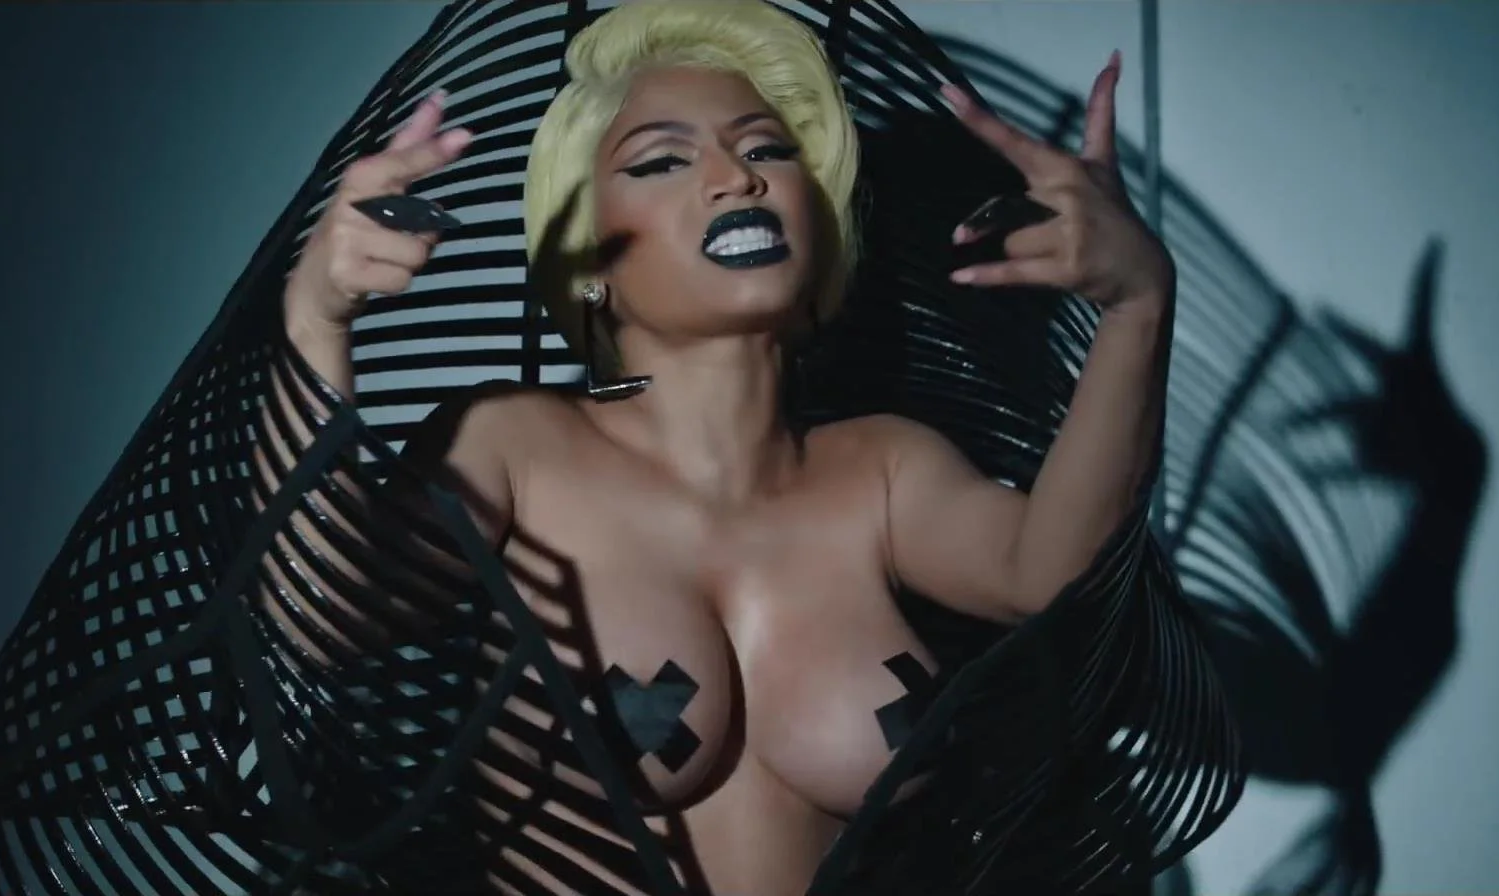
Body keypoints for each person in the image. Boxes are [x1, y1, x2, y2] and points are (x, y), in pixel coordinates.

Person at [270, 1, 1195, 893]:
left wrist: (1137, 307)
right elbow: (320, 622)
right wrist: (317, 318)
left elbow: (1051, 576)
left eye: (766, 150)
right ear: (586, 257)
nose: (735, 179)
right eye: (661, 160)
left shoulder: (883, 469)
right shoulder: (518, 445)